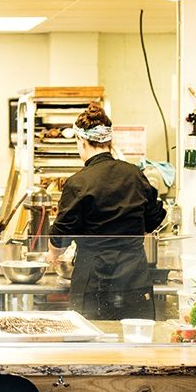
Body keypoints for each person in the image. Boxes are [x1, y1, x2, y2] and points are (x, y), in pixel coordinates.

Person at [47, 103, 166, 320]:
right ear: (109, 142)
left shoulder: (78, 183)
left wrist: (52, 256)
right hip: (134, 276)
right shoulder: (135, 175)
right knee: (135, 344)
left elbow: (60, 236)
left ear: (81, 141)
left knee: (92, 346)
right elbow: (153, 219)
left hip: (93, 278)